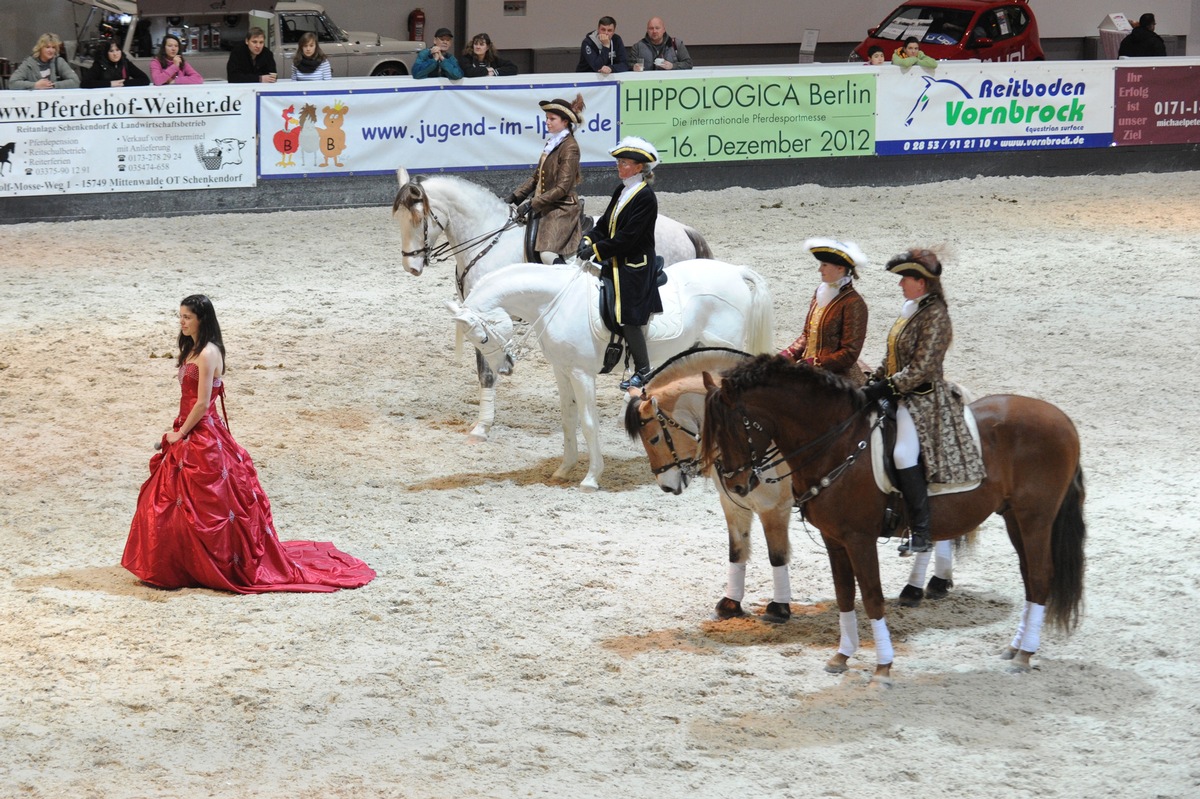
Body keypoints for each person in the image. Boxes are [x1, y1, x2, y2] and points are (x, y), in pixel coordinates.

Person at [122, 295, 376, 593]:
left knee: (203, 501)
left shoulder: (206, 354)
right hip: (189, 425)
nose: (182, 322)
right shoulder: (193, 349)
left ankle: (201, 565)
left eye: (187, 317)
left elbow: (203, 403)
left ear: (202, 319)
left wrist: (180, 434)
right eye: (180, 316)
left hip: (201, 430)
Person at [862, 250, 986, 556]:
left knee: (904, 454)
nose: (900, 283)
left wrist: (886, 387)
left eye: (906, 278)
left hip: (922, 400)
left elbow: (921, 369)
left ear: (921, 282)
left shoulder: (936, 316)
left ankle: (921, 530)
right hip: (897, 393)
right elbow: (892, 354)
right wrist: (872, 381)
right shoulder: (912, 310)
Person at [577, 136, 662, 391]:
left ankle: (644, 370)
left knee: (627, 316)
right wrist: (589, 237)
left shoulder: (646, 197)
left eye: (624, 162)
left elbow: (628, 238)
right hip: (616, 258)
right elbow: (605, 224)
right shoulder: (622, 190)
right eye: (619, 162)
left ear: (639, 167)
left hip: (635, 264)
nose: (619, 166)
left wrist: (596, 250)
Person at [505, 95, 585, 264]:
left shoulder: (570, 147)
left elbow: (562, 187)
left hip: (561, 207)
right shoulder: (552, 142)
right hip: (546, 204)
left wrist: (532, 203)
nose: (547, 122)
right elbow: (537, 177)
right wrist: (516, 196)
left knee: (547, 254)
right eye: (546, 118)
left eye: (552, 119)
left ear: (565, 122)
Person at [779, 238, 869, 387]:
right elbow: (807, 335)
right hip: (806, 368)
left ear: (840, 268)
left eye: (824, 265)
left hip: (836, 376)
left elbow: (849, 353)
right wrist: (787, 355)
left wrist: (814, 363)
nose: (819, 269)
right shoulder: (820, 293)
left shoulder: (854, 304)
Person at [10, 33, 80, 90]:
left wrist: (52, 85)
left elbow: (75, 81)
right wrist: (35, 85)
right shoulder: (29, 63)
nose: (51, 50)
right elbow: (12, 83)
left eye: (53, 47)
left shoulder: (59, 61)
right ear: (40, 48)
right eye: (47, 47)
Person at [81, 41, 150, 88]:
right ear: (105, 53)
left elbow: (145, 80)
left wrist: (123, 83)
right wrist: (110, 84)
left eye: (117, 50)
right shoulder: (99, 64)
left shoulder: (125, 62)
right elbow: (85, 83)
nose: (115, 54)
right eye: (111, 51)